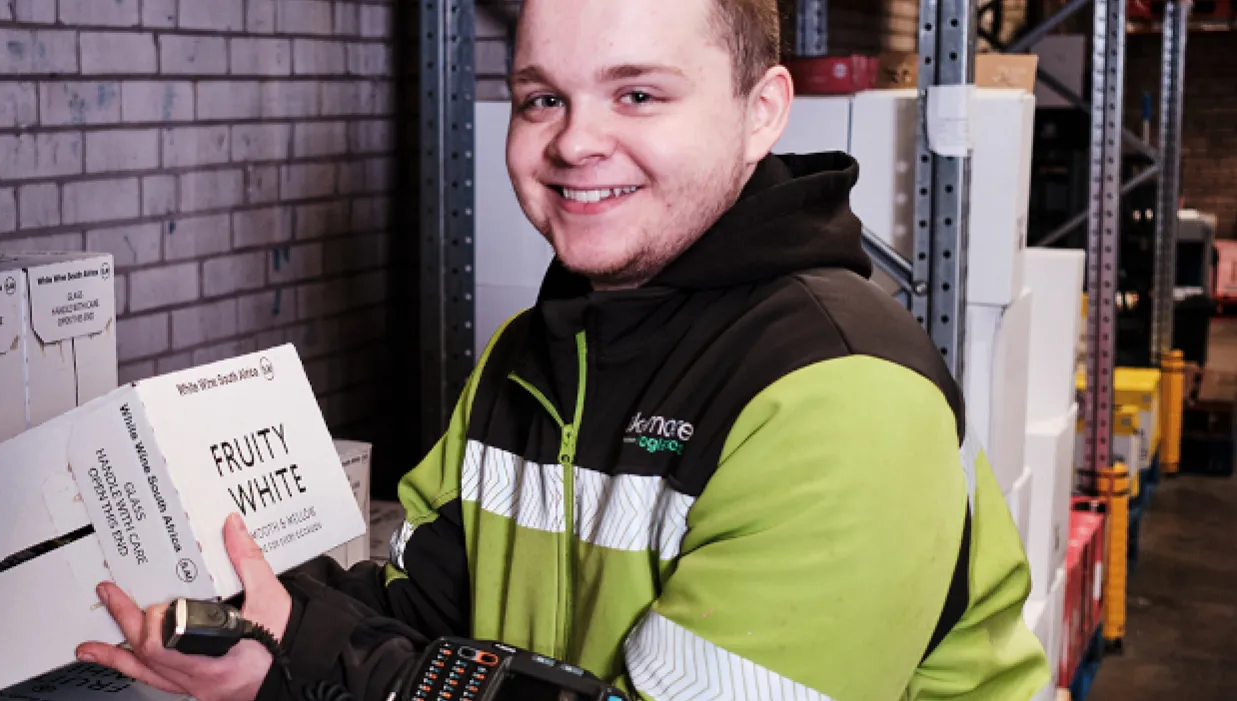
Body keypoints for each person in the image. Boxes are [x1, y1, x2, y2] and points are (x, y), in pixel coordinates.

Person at [77, 0, 1051, 698]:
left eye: (636, 94)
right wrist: (264, 632)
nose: (575, 140)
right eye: (540, 98)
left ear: (763, 111)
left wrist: (316, 665)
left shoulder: (841, 391)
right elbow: (428, 599)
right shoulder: (527, 354)